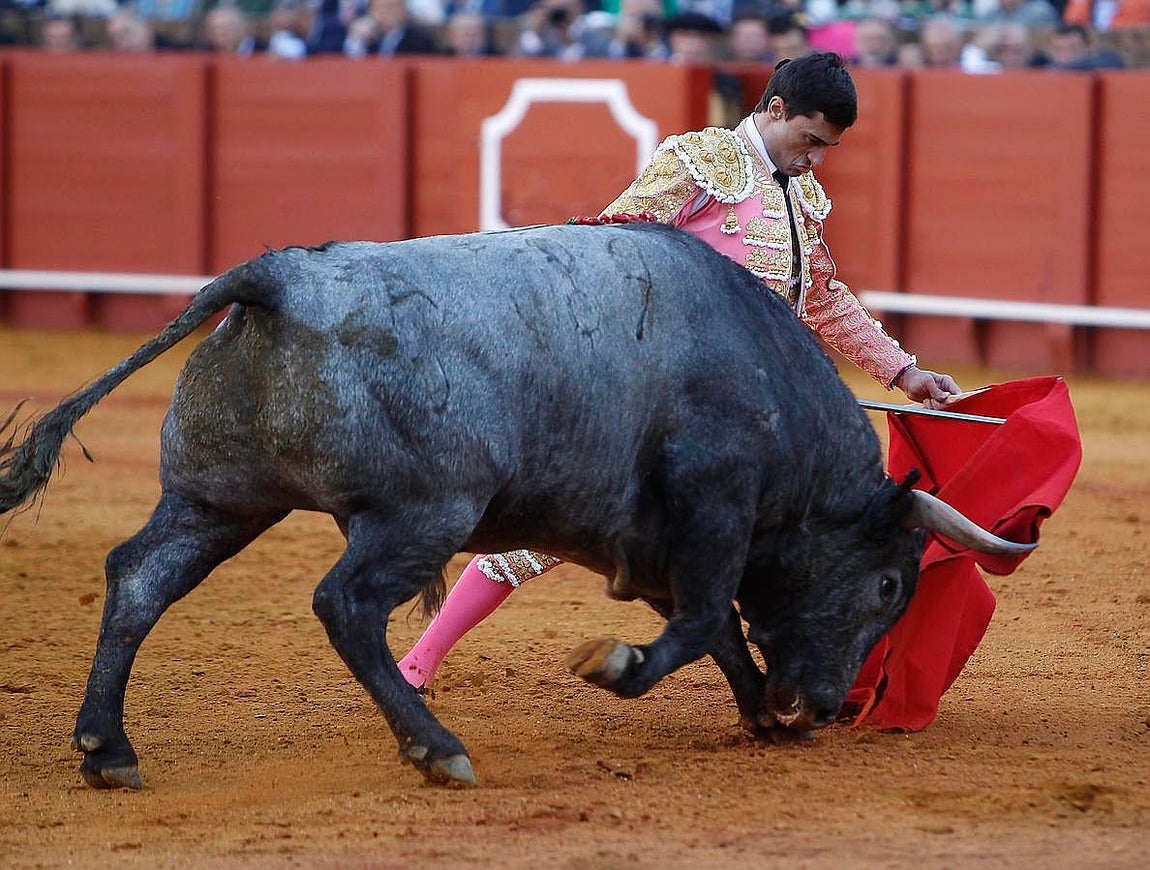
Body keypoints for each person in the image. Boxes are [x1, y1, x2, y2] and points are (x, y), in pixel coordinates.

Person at [397, 52, 963, 693]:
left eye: (826, 148)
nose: (816, 159)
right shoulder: (701, 163)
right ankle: (419, 661)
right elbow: (613, 250)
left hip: (749, 410)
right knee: (555, 534)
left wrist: (904, 373)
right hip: (661, 399)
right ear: (774, 110)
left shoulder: (800, 192)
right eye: (809, 140)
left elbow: (823, 299)